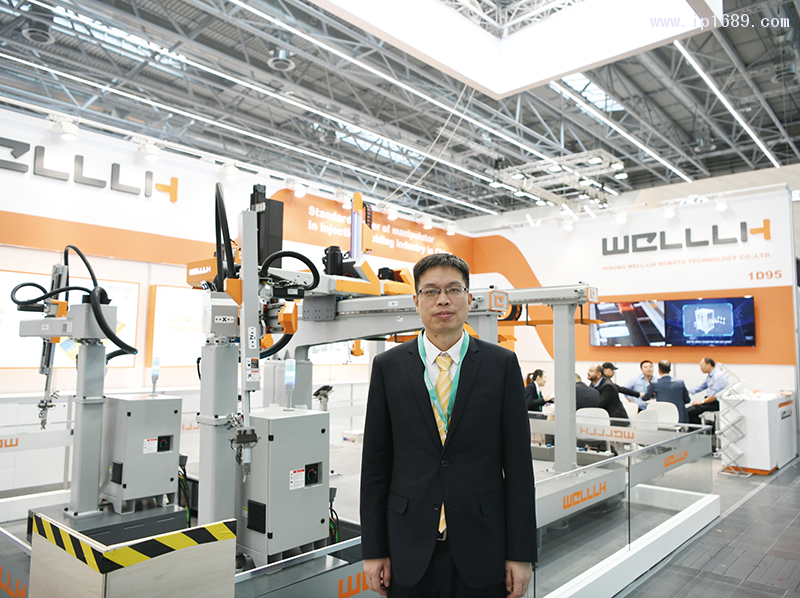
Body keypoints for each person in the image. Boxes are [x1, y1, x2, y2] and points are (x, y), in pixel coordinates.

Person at [360, 253, 536, 598]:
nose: (443, 300)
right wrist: (373, 550)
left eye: (454, 289)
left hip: (482, 545)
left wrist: (521, 553)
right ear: (416, 301)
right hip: (407, 547)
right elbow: (375, 466)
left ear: (469, 298)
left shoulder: (500, 365)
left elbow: (518, 467)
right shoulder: (388, 367)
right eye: (431, 291)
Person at [687, 357, 728, 425]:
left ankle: (697, 430)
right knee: (689, 411)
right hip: (710, 401)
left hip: (716, 402)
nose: (700, 368)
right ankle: (699, 428)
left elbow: (715, 395)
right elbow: (700, 387)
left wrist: (702, 402)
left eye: (701, 365)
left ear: (709, 365)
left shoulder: (718, 376)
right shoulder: (710, 376)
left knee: (690, 412)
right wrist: (686, 390)